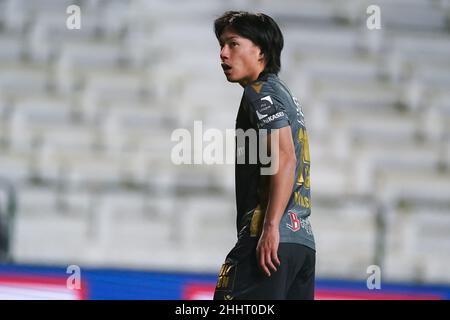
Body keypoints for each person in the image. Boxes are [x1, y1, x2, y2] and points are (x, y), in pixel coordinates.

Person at [212, 11, 316, 300]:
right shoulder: (284, 94)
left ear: (261, 51)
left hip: (269, 240)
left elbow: (285, 157)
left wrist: (270, 227)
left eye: (233, 44)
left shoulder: (260, 92)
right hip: (302, 242)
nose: (222, 53)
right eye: (221, 45)